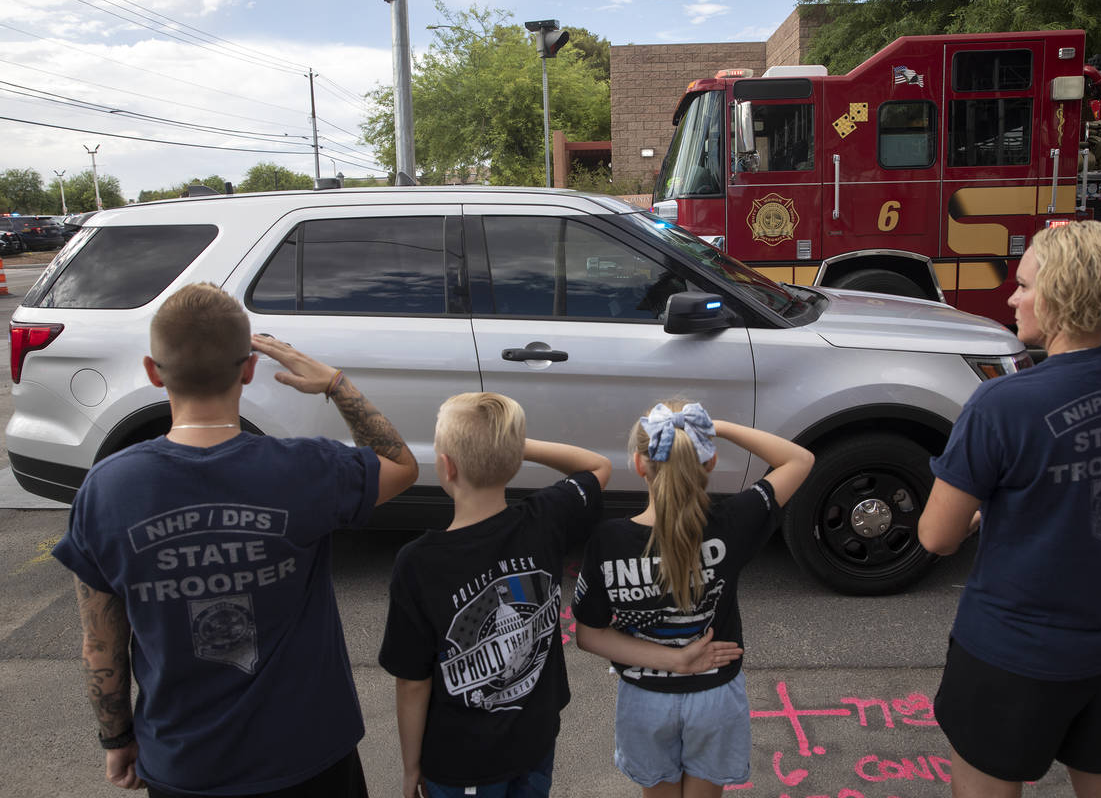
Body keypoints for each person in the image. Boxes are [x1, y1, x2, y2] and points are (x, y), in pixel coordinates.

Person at [52, 283, 420, 797]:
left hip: (184, 764)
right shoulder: (307, 469)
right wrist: (336, 384)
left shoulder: (106, 489)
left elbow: (101, 643)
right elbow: (401, 465)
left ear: (153, 372)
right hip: (310, 757)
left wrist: (116, 739)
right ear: (248, 369)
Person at [918, 221, 1101, 798]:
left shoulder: (1002, 405)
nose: (1011, 297)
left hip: (1013, 650)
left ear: (1064, 295)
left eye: (1023, 285)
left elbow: (936, 538)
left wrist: (980, 511)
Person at [377, 393, 736, 798]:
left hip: (460, 761)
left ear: (445, 466)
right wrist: (509, 447)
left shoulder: (418, 563)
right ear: (514, 463)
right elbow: (595, 466)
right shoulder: (545, 518)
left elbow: (412, 681)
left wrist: (410, 766)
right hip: (535, 741)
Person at [573, 400, 815, 798]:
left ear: (638, 464)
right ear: (711, 461)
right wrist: (717, 427)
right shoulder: (732, 523)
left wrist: (674, 661)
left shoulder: (609, 540)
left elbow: (590, 635)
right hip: (714, 697)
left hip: (645, 700)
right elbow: (799, 460)